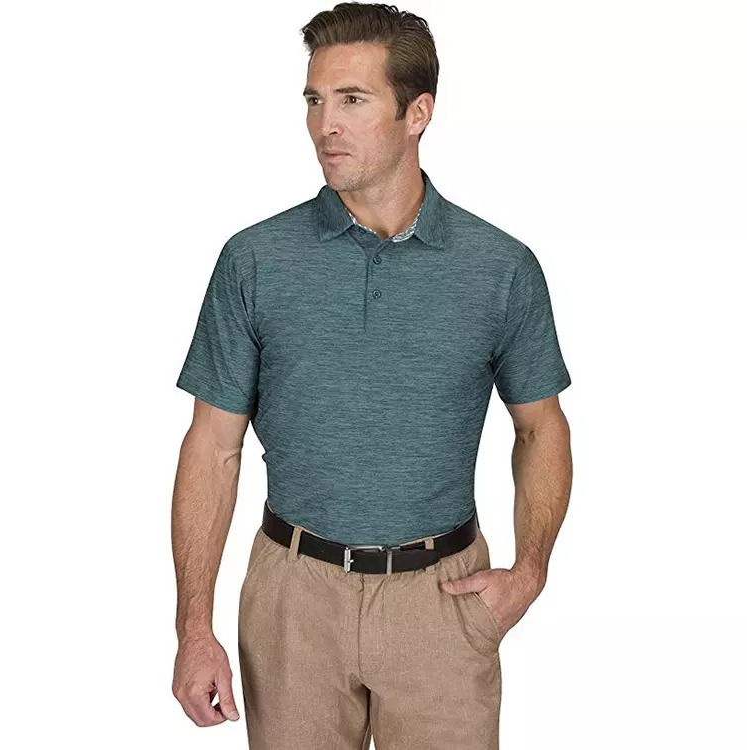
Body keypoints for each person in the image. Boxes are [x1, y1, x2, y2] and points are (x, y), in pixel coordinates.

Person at [171, 3, 573, 748]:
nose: (325, 125)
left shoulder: (500, 268)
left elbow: (540, 427)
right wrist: (194, 627)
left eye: (352, 100)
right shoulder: (254, 260)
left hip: (443, 599)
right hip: (292, 600)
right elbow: (212, 447)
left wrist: (530, 573)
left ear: (418, 112)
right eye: (314, 100)